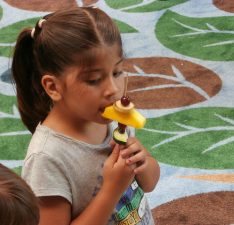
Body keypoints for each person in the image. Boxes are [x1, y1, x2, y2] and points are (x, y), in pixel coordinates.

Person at [11, 6, 160, 225]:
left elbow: (149, 184)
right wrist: (112, 191)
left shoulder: (114, 121)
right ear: (53, 87)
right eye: (93, 80)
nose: (113, 89)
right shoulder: (47, 158)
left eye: (116, 72)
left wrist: (143, 163)